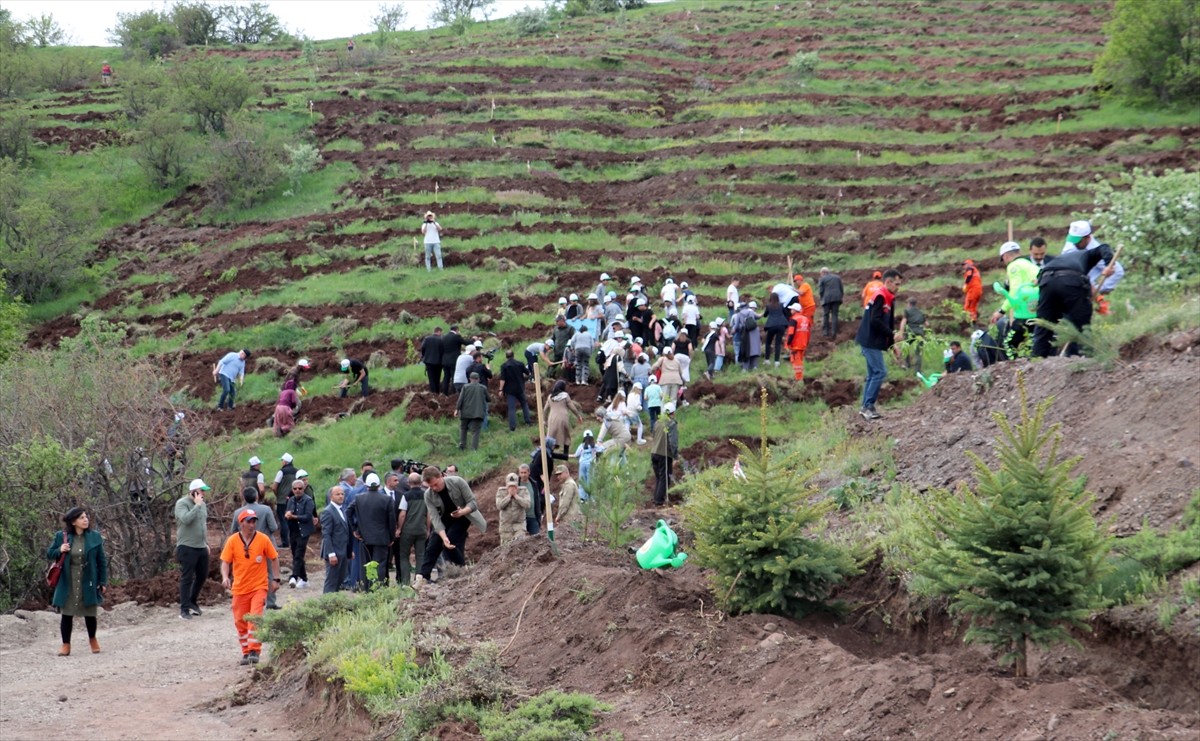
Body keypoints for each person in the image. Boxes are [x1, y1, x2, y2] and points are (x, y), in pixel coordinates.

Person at [1033, 221, 1116, 358]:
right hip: (1070, 280)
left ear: (1088, 238)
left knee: (1044, 326)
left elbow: (1041, 276)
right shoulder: (1087, 254)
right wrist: (1109, 265)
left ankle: (1037, 361)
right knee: (1081, 324)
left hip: (1046, 280)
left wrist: (1108, 267)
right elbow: (1104, 248)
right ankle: (1083, 359)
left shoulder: (1062, 257)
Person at [220, 511, 280, 666]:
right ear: (241, 523)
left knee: (254, 618)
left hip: (259, 587)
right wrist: (225, 577)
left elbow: (274, 558)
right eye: (249, 521)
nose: (252, 525)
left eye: (254, 521)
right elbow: (225, 562)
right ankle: (246, 651)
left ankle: (254, 651)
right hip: (239, 588)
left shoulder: (263, 539)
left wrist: (276, 579)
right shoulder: (233, 540)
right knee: (240, 620)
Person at [48, 507, 108, 656]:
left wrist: (103, 581)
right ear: (73, 522)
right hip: (68, 579)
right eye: (81, 518)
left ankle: (93, 639)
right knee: (67, 613)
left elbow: (101, 561)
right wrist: (60, 549)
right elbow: (49, 553)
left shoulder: (95, 537)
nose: (85, 520)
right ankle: (66, 645)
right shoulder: (61, 536)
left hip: (88, 577)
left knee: (90, 612)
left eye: (86, 517)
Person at [414, 467, 486, 589]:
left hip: (463, 516)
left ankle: (461, 570)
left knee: (450, 542)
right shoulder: (428, 495)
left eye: (436, 484)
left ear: (441, 476)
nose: (434, 488)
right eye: (431, 486)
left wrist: (462, 511)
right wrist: (443, 536)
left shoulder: (457, 482)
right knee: (432, 546)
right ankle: (423, 578)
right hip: (444, 519)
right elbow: (435, 518)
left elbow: (473, 503)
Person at [857, 269, 902, 420]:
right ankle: (868, 407)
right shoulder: (880, 296)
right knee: (879, 372)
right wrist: (892, 334)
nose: (898, 287)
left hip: (873, 341)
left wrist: (892, 345)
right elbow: (875, 320)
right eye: (897, 284)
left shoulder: (889, 298)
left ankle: (865, 407)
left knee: (873, 374)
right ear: (888, 282)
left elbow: (888, 324)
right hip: (869, 340)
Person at [990, 241, 1039, 356]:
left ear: (1006, 256)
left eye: (1003, 259)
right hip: (1038, 309)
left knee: (1009, 344)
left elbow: (1015, 292)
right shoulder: (1028, 264)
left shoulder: (1014, 266)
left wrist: (1001, 311)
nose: (1005, 262)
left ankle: (1018, 366)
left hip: (1026, 312)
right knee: (1032, 341)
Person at [350, 473, 396, 588]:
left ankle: (366, 588)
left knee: (366, 564)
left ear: (366, 485)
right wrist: (391, 538)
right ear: (379, 485)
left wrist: (355, 529)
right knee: (379, 565)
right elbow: (392, 521)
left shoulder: (359, 498)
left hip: (364, 537)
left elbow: (348, 511)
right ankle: (378, 589)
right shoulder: (387, 499)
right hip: (382, 538)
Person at [175, 479, 210, 621]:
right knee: (187, 578)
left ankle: (192, 601)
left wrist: (206, 543)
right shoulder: (182, 503)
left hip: (201, 546)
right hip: (187, 546)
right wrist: (196, 506)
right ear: (194, 491)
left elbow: (202, 524)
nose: (203, 494)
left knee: (202, 575)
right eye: (201, 491)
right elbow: (186, 519)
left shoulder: (203, 505)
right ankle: (184, 609)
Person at [395, 472, 427, 586]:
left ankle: (405, 583)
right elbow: (429, 515)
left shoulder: (406, 496)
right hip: (421, 529)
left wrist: (399, 528)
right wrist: (428, 529)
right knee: (420, 556)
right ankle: (418, 582)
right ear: (421, 482)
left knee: (404, 556)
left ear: (409, 483)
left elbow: (402, 514)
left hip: (407, 530)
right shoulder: (426, 495)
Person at [284, 478, 316, 588]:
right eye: (295, 488)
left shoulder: (308, 500)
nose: (297, 490)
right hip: (293, 531)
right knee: (295, 554)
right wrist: (287, 515)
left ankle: (294, 576)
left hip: (303, 531)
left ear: (303, 489)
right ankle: (304, 579)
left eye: (300, 488)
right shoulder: (291, 500)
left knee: (299, 554)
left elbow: (307, 516)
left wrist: (294, 516)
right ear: (292, 489)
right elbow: (287, 512)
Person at [319, 485, 353, 593]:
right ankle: (327, 601)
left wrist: (349, 551)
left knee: (339, 581)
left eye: (342, 494)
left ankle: (335, 601)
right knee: (331, 581)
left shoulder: (342, 510)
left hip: (343, 551)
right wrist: (331, 554)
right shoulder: (328, 512)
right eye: (337, 494)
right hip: (334, 552)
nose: (341, 496)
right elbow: (326, 534)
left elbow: (346, 532)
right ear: (331, 496)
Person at [543, 379, 584, 454]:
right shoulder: (565, 396)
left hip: (552, 419)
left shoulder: (550, 397)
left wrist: (544, 420)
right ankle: (565, 454)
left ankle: (549, 454)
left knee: (551, 436)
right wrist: (578, 416)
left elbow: (545, 409)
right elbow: (572, 407)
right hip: (563, 418)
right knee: (566, 436)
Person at [650, 402, 679, 507]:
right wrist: (675, 455)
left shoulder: (657, 422)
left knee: (659, 477)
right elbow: (673, 441)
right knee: (665, 478)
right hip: (664, 454)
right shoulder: (671, 424)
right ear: (673, 413)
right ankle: (659, 501)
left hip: (654, 452)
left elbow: (653, 435)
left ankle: (656, 498)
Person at [500, 349, 532, 431]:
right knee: (524, 404)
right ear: (513, 355)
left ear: (506, 356)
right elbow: (528, 373)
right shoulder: (520, 364)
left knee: (511, 408)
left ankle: (512, 427)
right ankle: (528, 421)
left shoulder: (504, 366)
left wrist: (500, 390)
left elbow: (502, 379)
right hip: (520, 388)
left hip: (510, 390)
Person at [455, 372, 488, 451]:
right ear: (478, 379)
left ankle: (462, 446)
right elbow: (489, 399)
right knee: (475, 431)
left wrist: (457, 409)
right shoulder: (483, 388)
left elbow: (460, 399)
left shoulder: (465, 387)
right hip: (478, 413)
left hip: (465, 412)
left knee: (463, 428)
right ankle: (473, 449)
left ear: (470, 379)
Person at [270, 453, 297, 548]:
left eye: (282, 460)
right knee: (293, 521)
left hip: (282, 501)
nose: (281, 462)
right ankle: (294, 541)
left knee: (283, 521)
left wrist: (278, 495)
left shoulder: (281, 472)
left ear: (285, 461)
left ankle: (285, 543)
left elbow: (274, 487)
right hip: (295, 500)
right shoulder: (297, 471)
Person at [496, 472, 530, 546]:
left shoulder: (523, 491)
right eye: (510, 486)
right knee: (505, 547)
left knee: (519, 545)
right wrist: (508, 496)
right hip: (506, 526)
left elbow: (527, 505)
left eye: (514, 486)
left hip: (519, 525)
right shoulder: (501, 491)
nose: (512, 488)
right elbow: (499, 506)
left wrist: (516, 496)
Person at [570, 429, 602, 500]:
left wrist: (568, 456)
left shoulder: (581, 446)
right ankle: (591, 498)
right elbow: (602, 449)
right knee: (590, 481)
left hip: (582, 464)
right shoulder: (594, 446)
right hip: (591, 464)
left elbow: (576, 455)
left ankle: (582, 498)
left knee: (582, 481)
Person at [898, 297, 926, 373]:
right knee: (918, 352)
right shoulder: (921, 312)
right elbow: (926, 324)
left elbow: (903, 322)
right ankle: (918, 370)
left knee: (905, 348)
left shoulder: (907, 311)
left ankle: (907, 365)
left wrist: (901, 333)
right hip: (920, 334)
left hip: (910, 333)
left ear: (909, 304)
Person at [784, 304, 811, 381]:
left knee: (796, 362)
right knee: (800, 361)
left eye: (792, 309)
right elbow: (808, 332)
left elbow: (791, 333)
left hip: (796, 344)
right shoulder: (806, 319)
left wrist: (788, 343)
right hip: (803, 343)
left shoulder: (794, 320)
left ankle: (798, 378)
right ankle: (799, 376)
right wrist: (807, 343)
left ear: (795, 310)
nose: (790, 310)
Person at [762, 292, 789, 367]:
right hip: (781, 325)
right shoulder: (781, 305)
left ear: (770, 298)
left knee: (768, 342)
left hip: (771, 325)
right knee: (778, 343)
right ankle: (777, 362)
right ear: (778, 298)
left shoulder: (768, 306)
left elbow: (765, 315)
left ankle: (767, 360)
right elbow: (786, 314)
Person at [439, 325, 467, 395]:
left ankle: (444, 393)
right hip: (454, 360)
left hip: (445, 360)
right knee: (454, 376)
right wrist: (473, 340)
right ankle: (453, 393)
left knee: (446, 377)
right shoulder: (456, 337)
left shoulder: (444, 337)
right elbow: (465, 342)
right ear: (457, 330)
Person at [817, 267, 844, 338]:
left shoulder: (822, 279)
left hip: (827, 299)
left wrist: (822, 298)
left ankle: (825, 332)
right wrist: (840, 297)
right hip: (837, 298)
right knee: (835, 314)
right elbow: (841, 289)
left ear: (823, 273)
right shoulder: (837, 278)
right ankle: (834, 331)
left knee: (826, 314)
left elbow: (821, 291)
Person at [553, 465, 581, 530]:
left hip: (571, 518)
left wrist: (558, 516)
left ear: (566, 473)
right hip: (571, 518)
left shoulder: (569, 485)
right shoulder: (567, 484)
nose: (558, 477)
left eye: (560, 474)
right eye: (557, 475)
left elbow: (565, 503)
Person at [420, 327, 444, 393]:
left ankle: (433, 392)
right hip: (439, 362)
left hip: (429, 361)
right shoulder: (441, 339)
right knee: (437, 377)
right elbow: (443, 350)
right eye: (441, 332)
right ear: (439, 331)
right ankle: (437, 391)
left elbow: (422, 348)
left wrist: (424, 356)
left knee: (431, 378)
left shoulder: (427, 339)